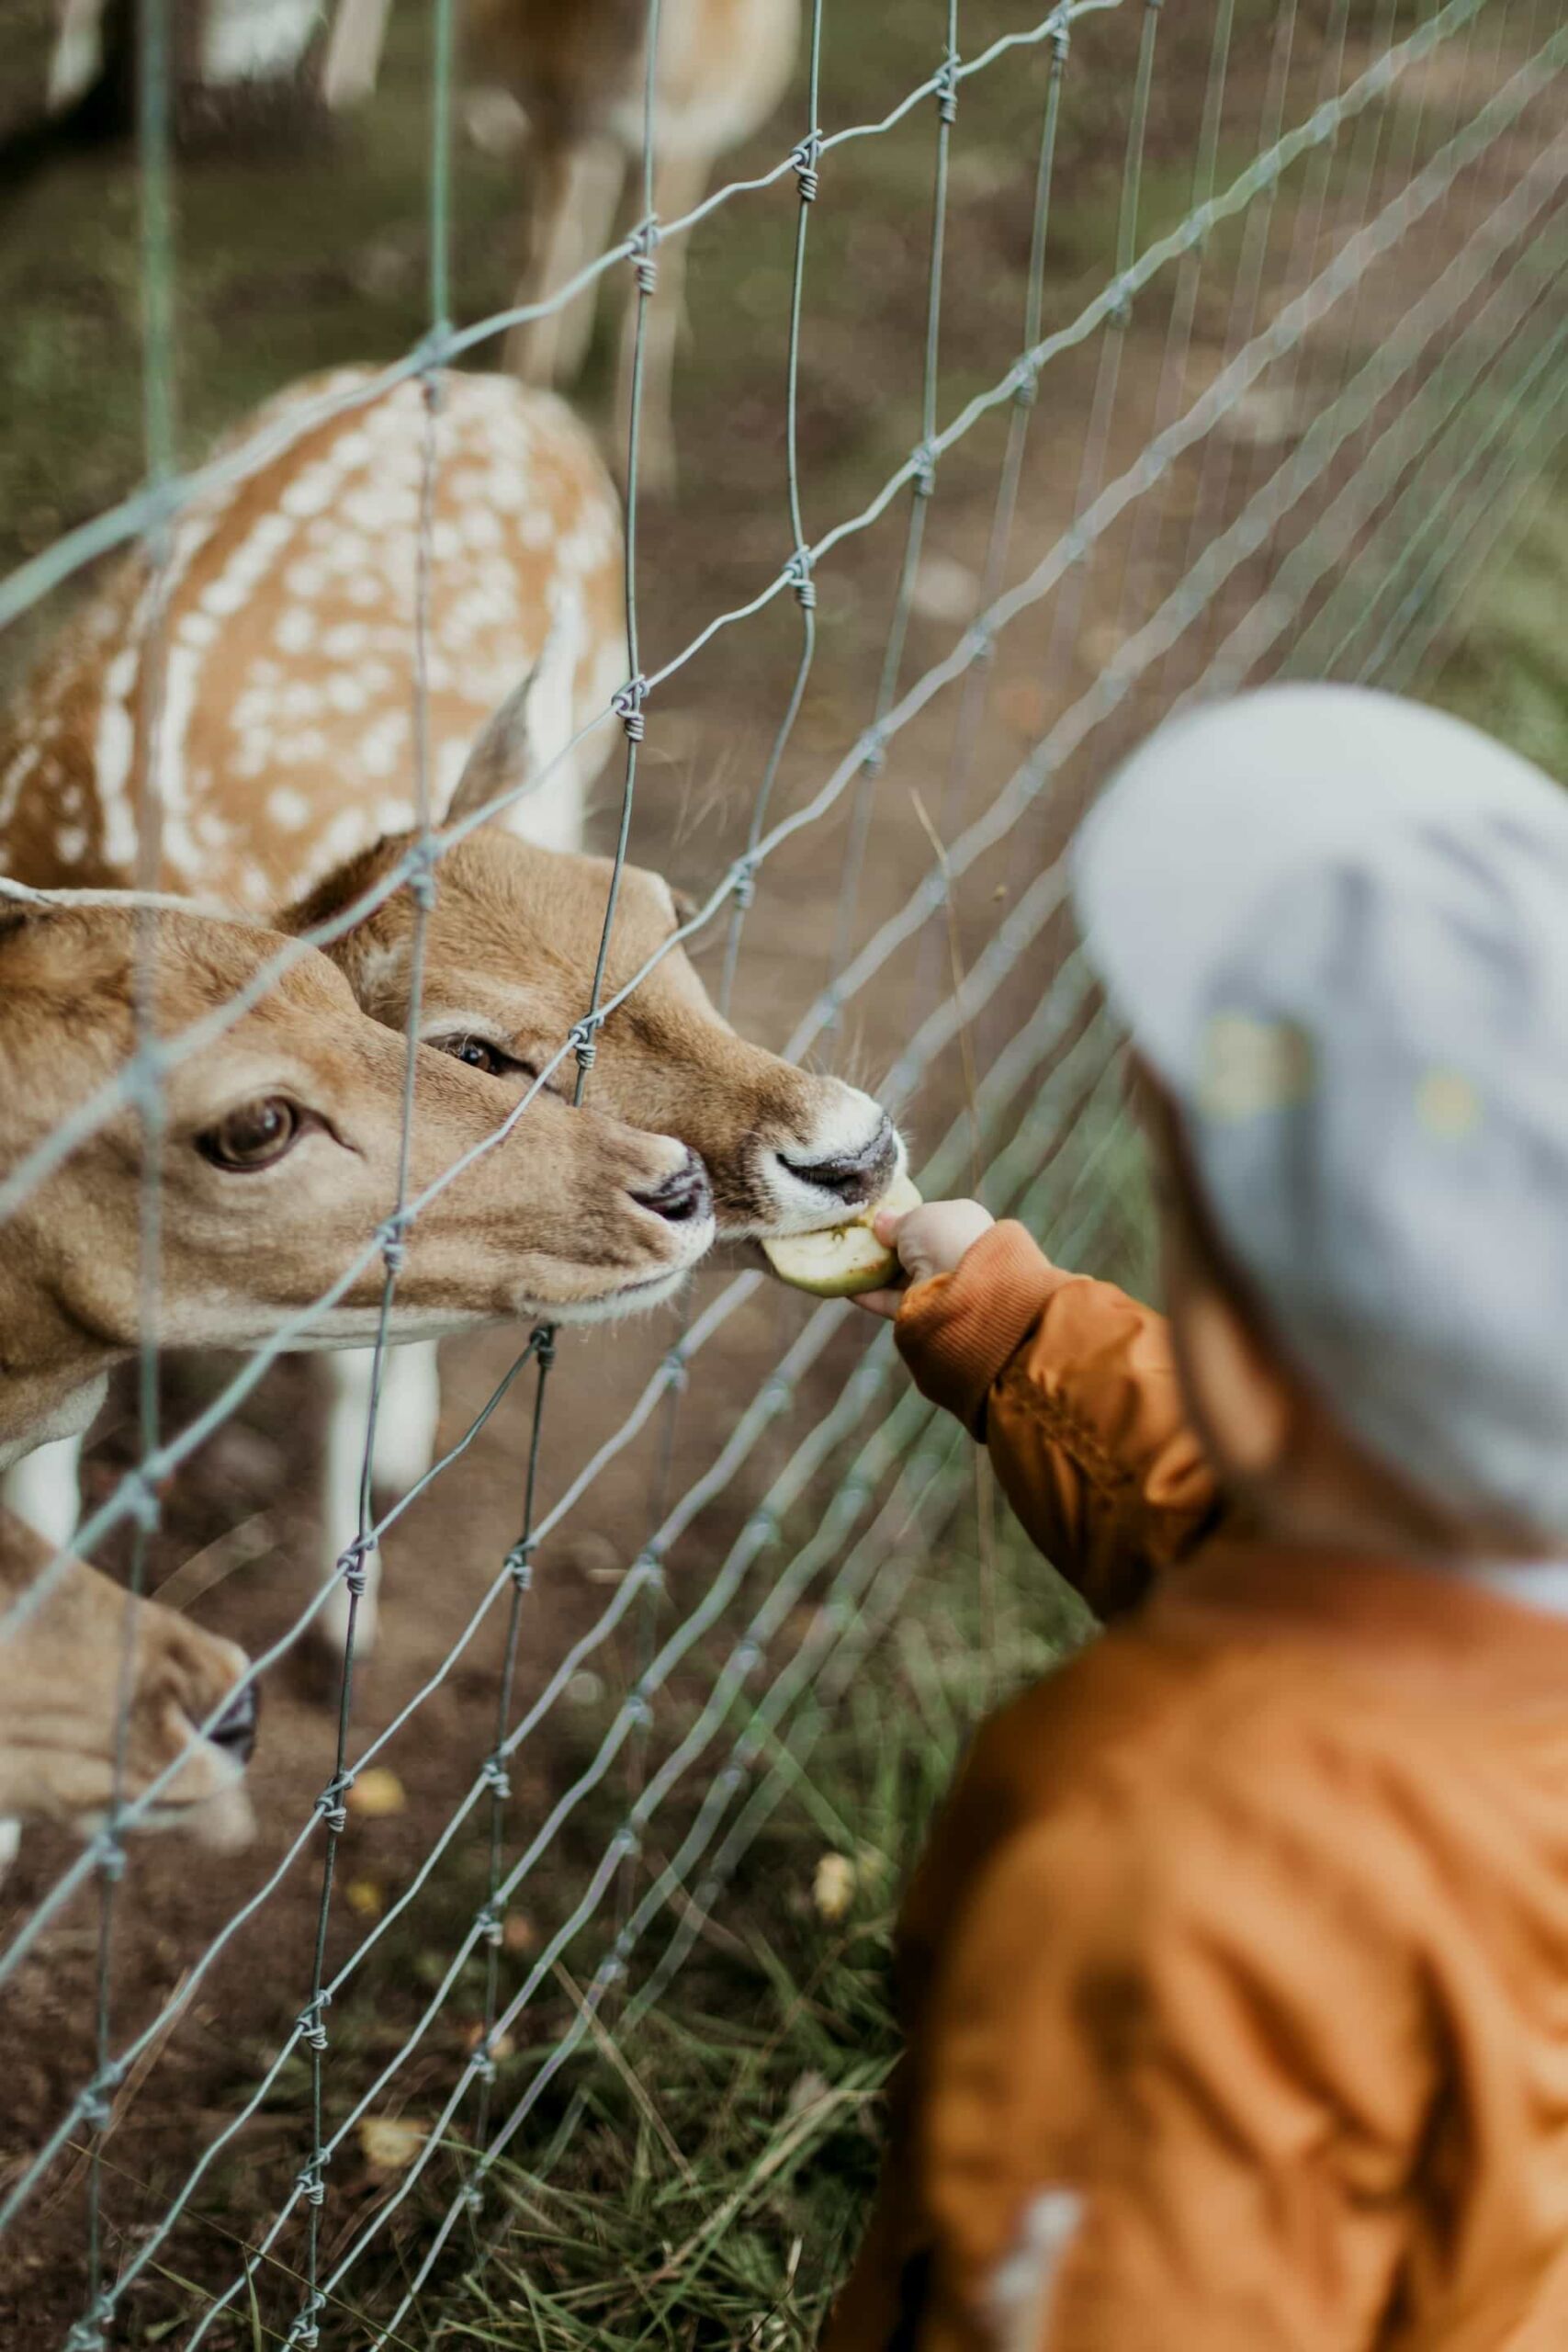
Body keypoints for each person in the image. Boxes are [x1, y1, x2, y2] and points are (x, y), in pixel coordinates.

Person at [821, 684, 1568, 2351]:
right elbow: (1271, 1538)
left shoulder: (1178, 1869)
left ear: (1242, 1320)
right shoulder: (1496, 1609)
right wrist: (1015, 1331)